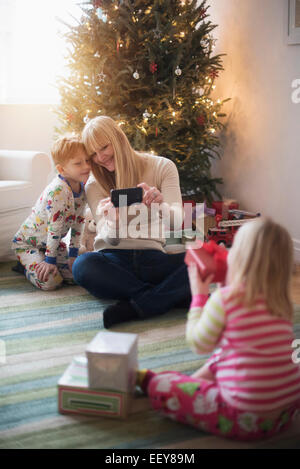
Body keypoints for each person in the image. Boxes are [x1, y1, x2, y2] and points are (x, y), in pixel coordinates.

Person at [136, 218, 300, 441]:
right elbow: (239, 332)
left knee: (162, 386)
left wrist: (199, 295)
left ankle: (155, 383)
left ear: (239, 257)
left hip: (246, 418)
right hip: (284, 414)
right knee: (225, 353)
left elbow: (198, 343)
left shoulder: (225, 299)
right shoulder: (281, 302)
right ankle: (198, 382)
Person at [72, 116, 191, 328]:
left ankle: (138, 305)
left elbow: (177, 222)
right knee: (83, 265)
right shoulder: (94, 184)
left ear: (118, 139)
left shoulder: (163, 166)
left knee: (203, 260)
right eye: (93, 154)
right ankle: (163, 297)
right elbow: (106, 239)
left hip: (154, 256)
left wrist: (160, 205)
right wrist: (114, 224)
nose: (100, 158)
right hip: (114, 260)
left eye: (104, 148)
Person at [12, 135, 90, 290]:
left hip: (53, 244)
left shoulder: (82, 187)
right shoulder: (58, 191)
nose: (86, 166)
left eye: (87, 160)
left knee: (76, 276)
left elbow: (79, 222)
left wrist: (73, 255)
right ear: (62, 169)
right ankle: (26, 268)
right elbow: (55, 228)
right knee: (50, 282)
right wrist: (50, 261)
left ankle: (47, 261)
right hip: (28, 244)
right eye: (78, 163)